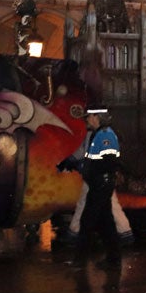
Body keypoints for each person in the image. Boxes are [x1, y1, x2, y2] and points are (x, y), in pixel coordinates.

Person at [59, 106, 123, 267]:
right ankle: (113, 260)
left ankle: (80, 261)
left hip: (100, 184)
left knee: (87, 222)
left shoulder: (105, 135)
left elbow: (108, 163)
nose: (86, 119)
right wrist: (74, 164)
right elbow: (90, 158)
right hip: (99, 184)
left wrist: (84, 168)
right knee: (106, 222)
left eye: (89, 116)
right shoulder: (96, 134)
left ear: (97, 117)